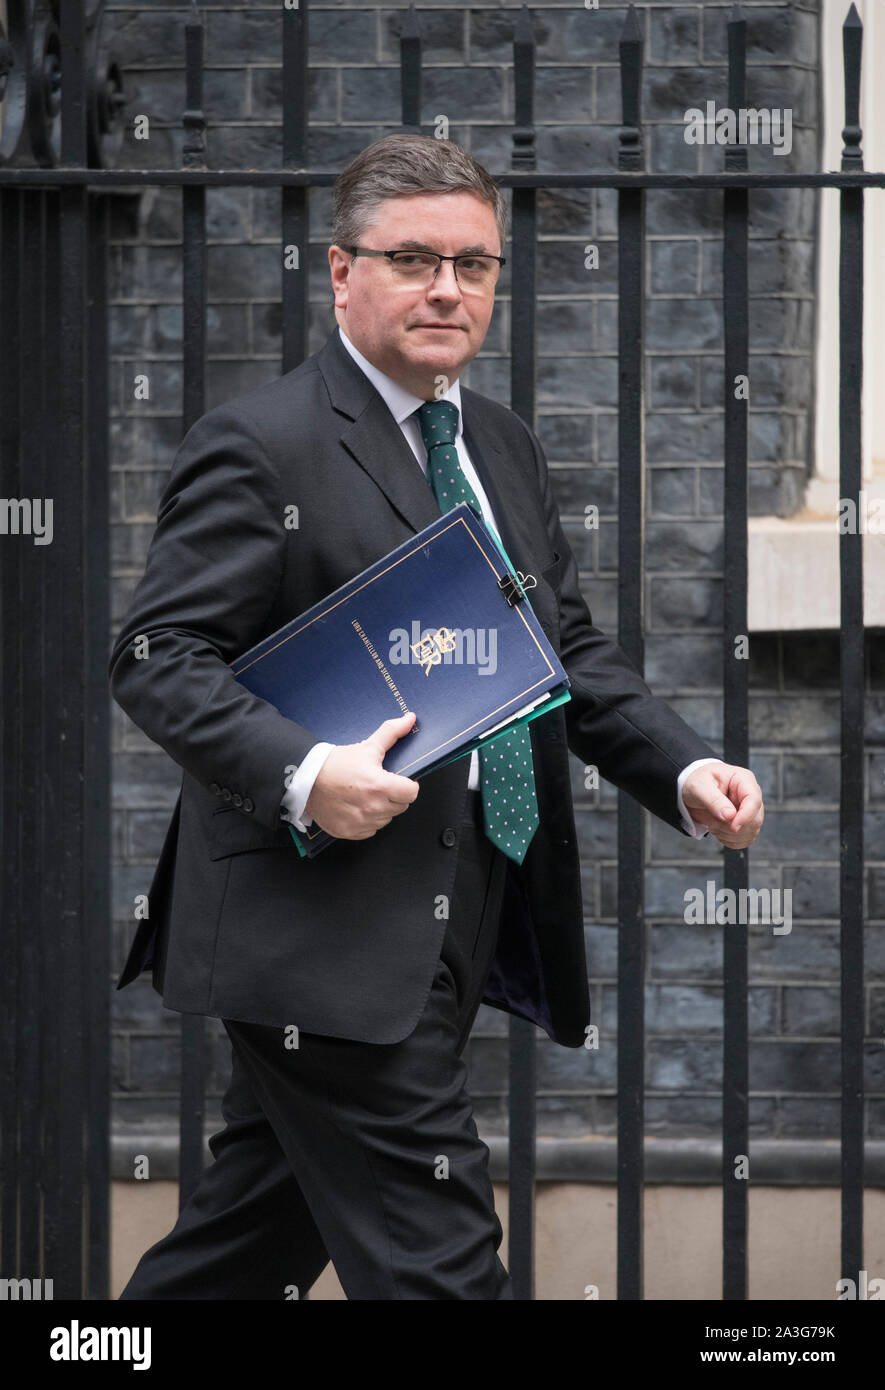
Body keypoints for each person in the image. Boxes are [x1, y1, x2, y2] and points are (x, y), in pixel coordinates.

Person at [111, 133, 763, 1301]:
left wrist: (681, 767)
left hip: (457, 910)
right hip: (316, 924)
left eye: (475, 265)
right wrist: (306, 770)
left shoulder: (498, 444)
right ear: (341, 272)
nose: (448, 290)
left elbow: (556, 647)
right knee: (443, 1256)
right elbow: (159, 655)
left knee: (242, 1244)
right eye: (413, 260)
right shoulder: (262, 444)